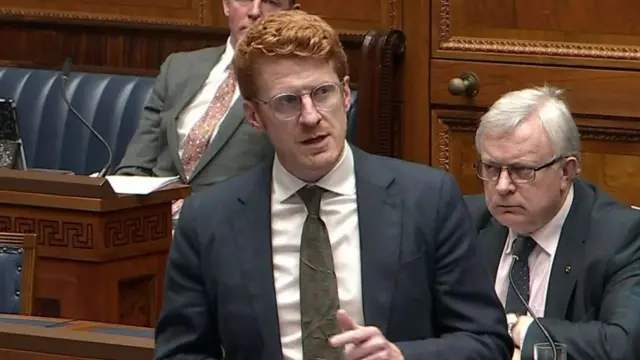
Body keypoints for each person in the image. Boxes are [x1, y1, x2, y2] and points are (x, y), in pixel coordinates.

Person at [154, 10, 512, 360]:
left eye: (322, 93)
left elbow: (485, 340)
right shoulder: (208, 219)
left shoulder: (427, 199)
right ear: (254, 116)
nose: (310, 117)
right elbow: (181, 351)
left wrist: (401, 356)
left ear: (345, 94)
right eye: (287, 102)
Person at [466, 86, 640, 360]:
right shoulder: (464, 221)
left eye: (522, 171)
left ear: (566, 172)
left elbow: (623, 345)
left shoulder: (621, 236)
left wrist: (517, 329)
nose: (502, 186)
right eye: (491, 168)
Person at [114, 0, 299, 219]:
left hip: (229, 225)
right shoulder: (178, 67)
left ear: (291, 14)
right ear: (226, 5)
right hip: (152, 221)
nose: (255, 12)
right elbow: (135, 166)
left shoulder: (297, 84)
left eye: (271, 2)